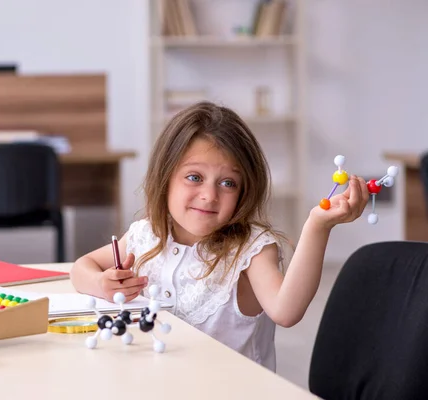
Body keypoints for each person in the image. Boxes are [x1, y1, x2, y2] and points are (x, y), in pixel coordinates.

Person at [70, 101, 369, 371]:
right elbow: (81, 267)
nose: (209, 195)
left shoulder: (251, 248)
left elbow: (286, 311)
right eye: (194, 177)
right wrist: (101, 283)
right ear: (166, 177)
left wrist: (317, 226)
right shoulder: (147, 234)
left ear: (244, 191)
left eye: (227, 183)